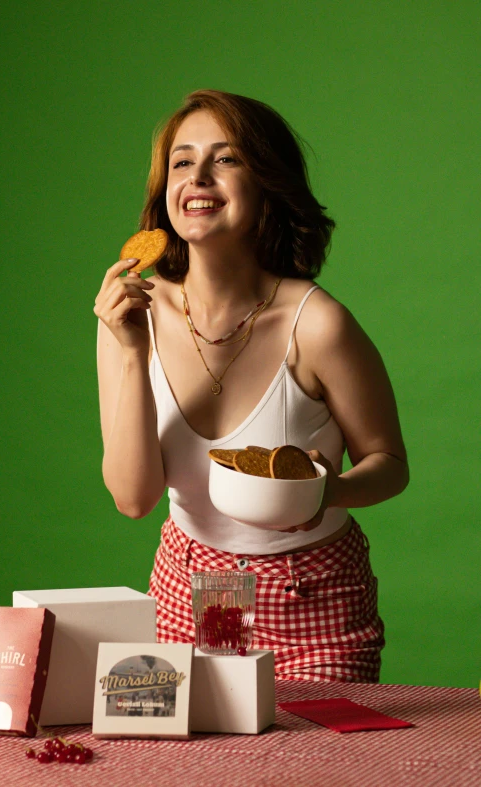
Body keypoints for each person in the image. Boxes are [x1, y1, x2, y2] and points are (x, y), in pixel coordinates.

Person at [94, 90, 409, 683]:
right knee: (192, 773)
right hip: (185, 592)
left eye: (227, 158)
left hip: (310, 599)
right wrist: (133, 353)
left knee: (311, 772)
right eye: (182, 162)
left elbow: (390, 463)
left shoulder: (318, 324)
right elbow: (134, 499)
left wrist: (325, 493)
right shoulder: (129, 316)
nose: (198, 176)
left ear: (267, 181)